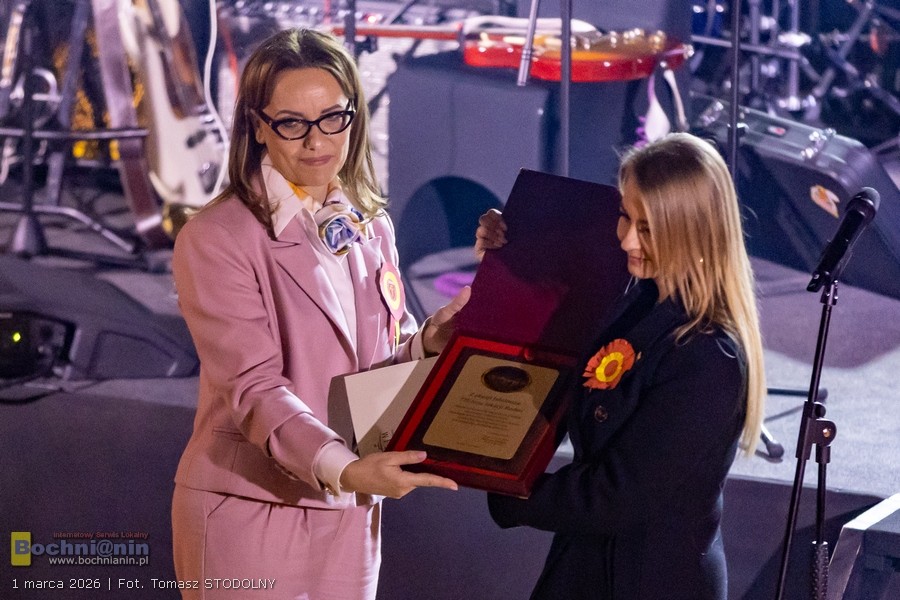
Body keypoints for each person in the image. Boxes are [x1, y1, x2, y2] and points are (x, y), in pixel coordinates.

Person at [170, 28, 466, 600]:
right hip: (252, 506)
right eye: (292, 123)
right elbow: (254, 388)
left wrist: (428, 342)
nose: (316, 141)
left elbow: (373, 365)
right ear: (257, 126)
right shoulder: (217, 237)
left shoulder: (369, 224)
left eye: (333, 118)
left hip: (352, 511)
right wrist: (346, 470)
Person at [477, 132, 766, 600]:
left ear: (694, 233)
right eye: (625, 216)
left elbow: (617, 496)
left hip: (652, 583)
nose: (628, 238)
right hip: (589, 564)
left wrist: (512, 494)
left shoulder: (709, 357)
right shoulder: (637, 301)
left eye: (647, 228)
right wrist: (510, 244)